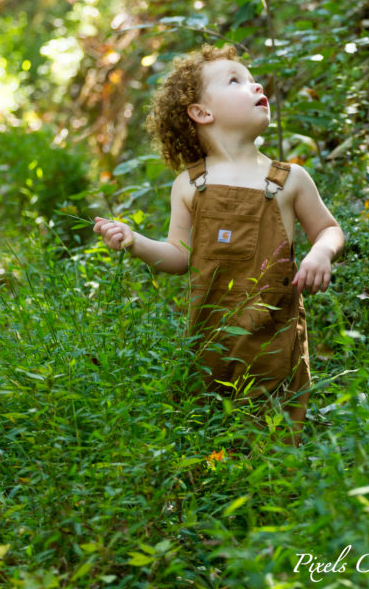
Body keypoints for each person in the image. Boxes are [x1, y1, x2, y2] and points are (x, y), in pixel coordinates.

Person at [93, 43, 344, 441]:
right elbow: (179, 257)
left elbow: (329, 229)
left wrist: (320, 252)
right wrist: (135, 241)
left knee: (275, 442)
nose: (255, 84)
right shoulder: (191, 184)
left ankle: (275, 492)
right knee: (212, 440)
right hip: (210, 341)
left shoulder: (288, 179)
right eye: (235, 80)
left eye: (252, 78)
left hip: (274, 340)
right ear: (201, 113)